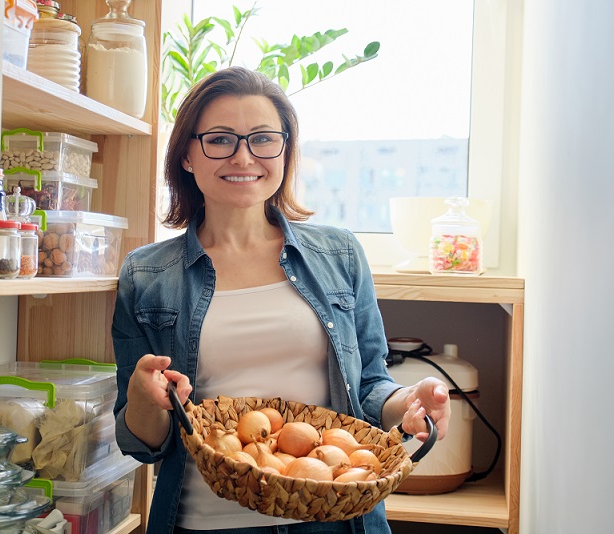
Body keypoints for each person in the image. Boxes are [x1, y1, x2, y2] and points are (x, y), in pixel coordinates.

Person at [112, 66, 451, 534]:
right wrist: (142, 399)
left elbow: (371, 386)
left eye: (263, 138)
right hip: (205, 520)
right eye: (220, 139)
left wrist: (409, 402)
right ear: (187, 154)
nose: (243, 156)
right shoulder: (146, 274)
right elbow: (144, 443)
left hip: (336, 515)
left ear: (285, 151)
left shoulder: (339, 253)